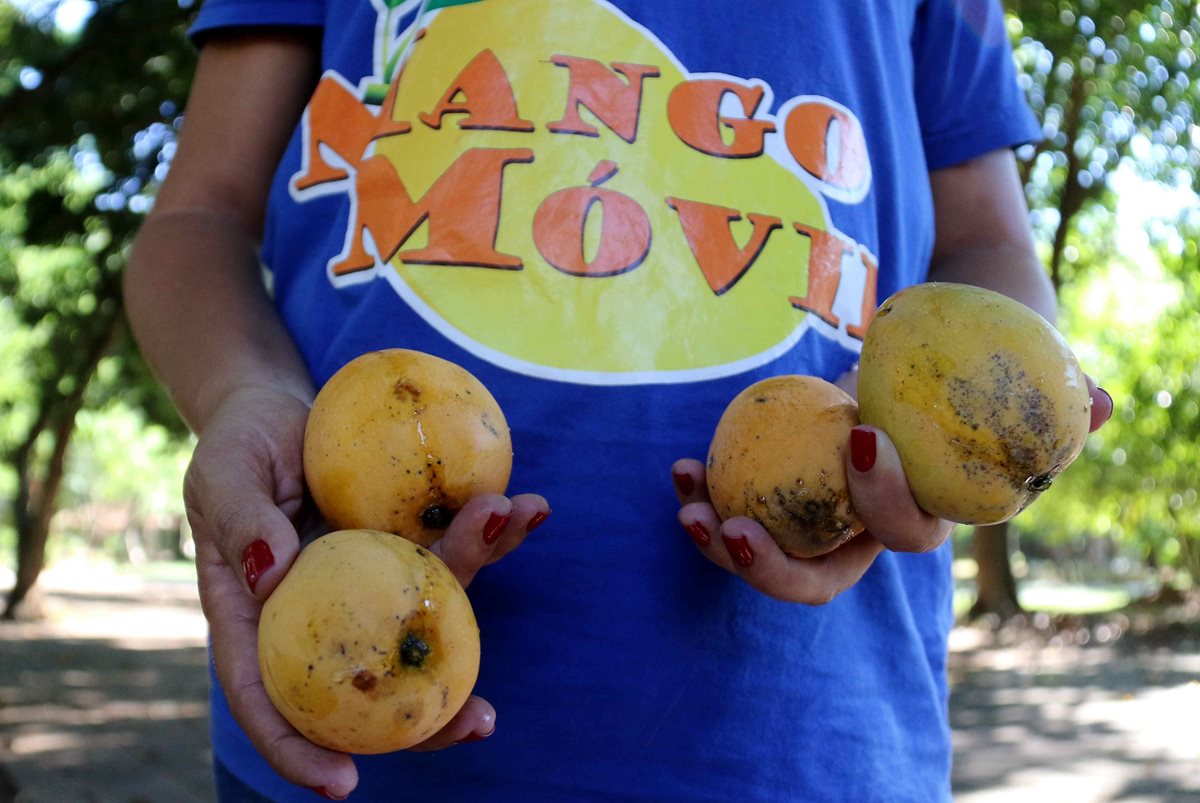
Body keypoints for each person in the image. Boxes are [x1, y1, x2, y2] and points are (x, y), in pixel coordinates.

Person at [125, 0, 1113, 800]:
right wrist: (243, 393)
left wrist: (924, 423)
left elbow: (989, 243)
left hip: (804, 735)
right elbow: (199, 215)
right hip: (343, 701)